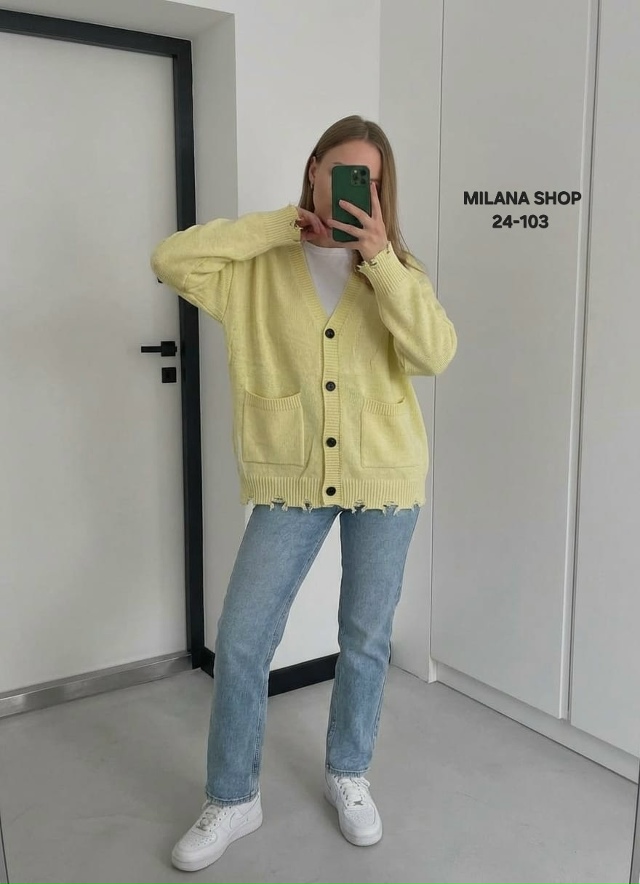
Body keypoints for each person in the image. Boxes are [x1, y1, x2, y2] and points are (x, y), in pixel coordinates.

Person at [151, 114, 457, 873]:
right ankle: (233, 797)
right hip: (291, 475)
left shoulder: (397, 270)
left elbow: (435, 354)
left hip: (385, 477)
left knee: (365, 638)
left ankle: (349, 773)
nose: (355, 187)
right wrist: (283, 225)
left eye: (370, 180)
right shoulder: (258, 265)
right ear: (316, 168)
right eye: (343, 170)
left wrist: (378, 259)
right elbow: (171, 259)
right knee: (244, 638)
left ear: (381, 191)